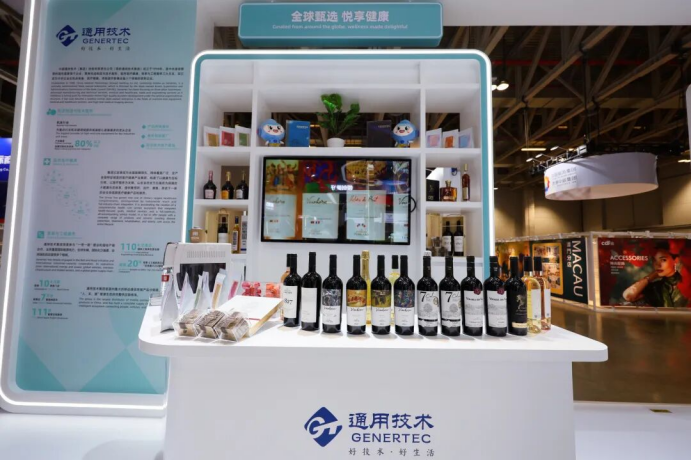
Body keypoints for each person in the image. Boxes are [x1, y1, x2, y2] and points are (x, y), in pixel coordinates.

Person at [623, 242, 688, 307]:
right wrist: (651, 276)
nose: (658, 265)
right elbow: (628, 296)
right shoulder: (656, 287)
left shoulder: (687, 283)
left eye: (663, 260)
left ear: (676, 260)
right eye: (654, 260)